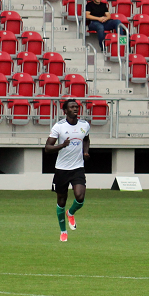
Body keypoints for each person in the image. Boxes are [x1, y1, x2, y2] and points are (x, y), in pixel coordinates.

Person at [44, 99, 90, 242]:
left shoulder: (84, 125)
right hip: (62, 170)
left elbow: (86, 139)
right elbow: (47, 148)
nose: (75, 109)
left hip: (78, 168)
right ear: (65, 111)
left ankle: (71, 213)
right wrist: (62, 145)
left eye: (76, 107)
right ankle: (63, 231)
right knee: (61, 201)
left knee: (80, 197)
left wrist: (86, 152)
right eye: (72, 107)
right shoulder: (59, 127)